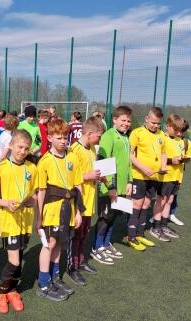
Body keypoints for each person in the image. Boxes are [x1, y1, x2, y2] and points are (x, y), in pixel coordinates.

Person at [0, 129, 38, 313]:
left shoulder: (32, 168)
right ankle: (0, 292)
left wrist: (31, 201)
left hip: (25, 220)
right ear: (10, 145)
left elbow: (34, 193)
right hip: (9, 221)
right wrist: (5, 203)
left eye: (26, 148)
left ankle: (12, 290)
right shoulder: (0, 168)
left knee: (20, 255)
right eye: (19, 147)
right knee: (15, 261)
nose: (23, 151)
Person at [36, 118, 84, 302]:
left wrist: (78, 211)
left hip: (69, 209)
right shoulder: (45, 161)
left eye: (66, 137)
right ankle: (43, 282)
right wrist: (38, 218)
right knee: (49, 243)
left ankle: (55, 277)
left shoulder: (72, 157)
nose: (63, 141)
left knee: (61, 243)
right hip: (51, 209)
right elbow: (41, 191)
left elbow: (78, 185)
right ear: (49, 138)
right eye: (59, 137)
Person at [92, 106, 132, 264]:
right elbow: (102, 160)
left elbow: (128, 162)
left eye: (128, 120)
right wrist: (111, 187)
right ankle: (97, 248)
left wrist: (130, 181)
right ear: (114, 120)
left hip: (122, 186)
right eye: (123, 120)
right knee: (105, 217)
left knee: (114, 217)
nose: (126, 123)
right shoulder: (109, 136)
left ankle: (106, 244)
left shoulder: (126, 137)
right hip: (108, 187)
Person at [67, 116, 104, 285]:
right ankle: (72, 267)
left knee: (84, 233)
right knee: (75, 235)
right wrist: (88, 176)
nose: (99, 140)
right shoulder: (74, 149)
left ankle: (81, 261)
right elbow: (68, 177)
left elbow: (93, 170)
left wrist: (100, 176)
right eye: (99, 136)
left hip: (90, 199)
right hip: (78, 201)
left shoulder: (92, 150)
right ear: (89, 133)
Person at [128, 107, 167, 250]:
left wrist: (163, 166)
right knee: (137, 204)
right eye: (153, 123)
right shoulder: (137, 133)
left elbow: (163, 153)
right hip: (139, 176)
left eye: (158, 124)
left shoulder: (161, 135)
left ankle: (139, 234)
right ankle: (131, 236)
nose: (156, 126)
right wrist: (143, 168)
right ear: (146, 119)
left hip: (154, 177)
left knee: (146, 204)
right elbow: (129, 154)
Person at [150, 114, 185, 240]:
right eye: (175, 130)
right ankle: (156, 227)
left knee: (169, 200)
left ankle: (164, 225)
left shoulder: (177, 140)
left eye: (179, 130)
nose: (178, 132)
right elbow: (158, 158)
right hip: (164, 176)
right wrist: (171, 161)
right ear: (168, 126)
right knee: (161, 200)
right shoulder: (162, 137)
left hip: (175, 176)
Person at [169, 119, 191, 226]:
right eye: (178, 130)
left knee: (174, 195)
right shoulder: (167, 138)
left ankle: (171, 214)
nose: (180, 133)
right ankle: (157, 217)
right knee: (162, 197)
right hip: (164, 173)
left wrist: (185, 158)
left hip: (178, 173)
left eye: (182, 131)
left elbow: (188, 156)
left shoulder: (186, 142)